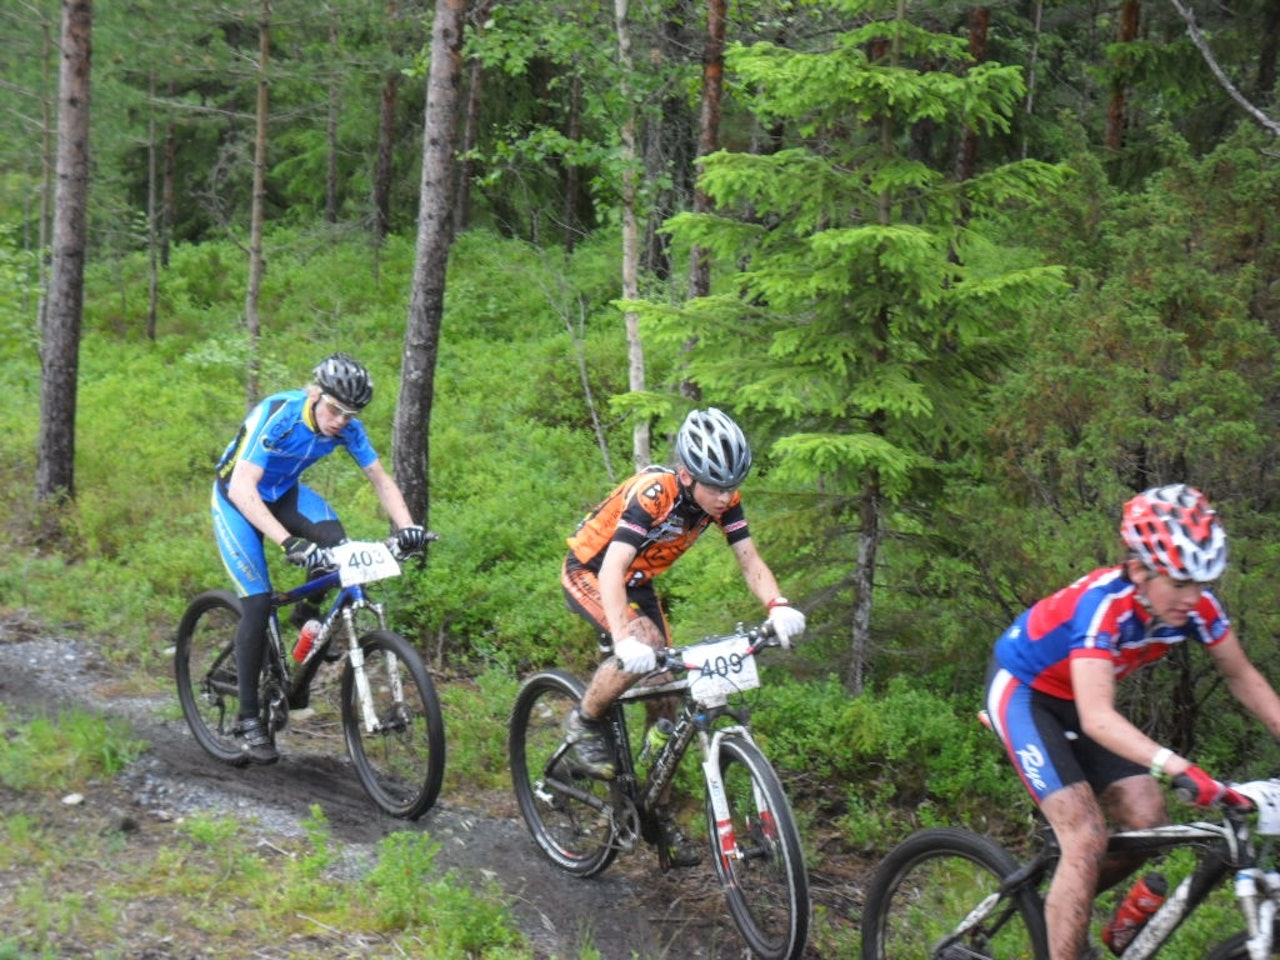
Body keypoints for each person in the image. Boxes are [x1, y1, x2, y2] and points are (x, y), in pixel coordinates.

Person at [985, 484, 1280, 959]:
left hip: (1080, 701)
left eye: (1203, 584)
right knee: (1084, 836)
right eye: (1180, 583)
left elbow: (1241, 675)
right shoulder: (1104, 606)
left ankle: (1059, 908)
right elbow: (1099, 718)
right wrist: (1175, 764)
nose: (1193, 597)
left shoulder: (1196, 609)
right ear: (1140, 569)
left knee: (1148, 819)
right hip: (1024, 692)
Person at [560, 407, 807, 866]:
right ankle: (585, 720)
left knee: (666, 698)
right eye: (715, 485)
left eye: (733, 484)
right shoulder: (654, 494)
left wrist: (779, 606)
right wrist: (623, 638)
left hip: (639, 581)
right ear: (686, 475)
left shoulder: (725, 499)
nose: (726, 495)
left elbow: (750, 560)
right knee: (645, 644)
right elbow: (612, 568)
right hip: (593, 570)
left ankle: (656, 812)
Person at [211, 352, 428, 765]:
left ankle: (306, 621)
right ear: (316, 394)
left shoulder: (348, 428)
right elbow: (242, 487)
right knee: (257, 603)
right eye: (335, 410)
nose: (341, 421)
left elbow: (381, 480)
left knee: (337, 544)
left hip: (283, 493)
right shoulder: (280, 414)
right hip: (236, 501)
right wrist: (287, 542)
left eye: (350, 414)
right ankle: (246, 718)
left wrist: (407, 527)